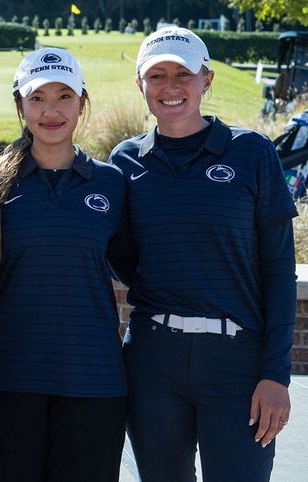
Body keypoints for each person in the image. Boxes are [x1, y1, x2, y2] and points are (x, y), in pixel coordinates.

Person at [111, 27, 295, 481]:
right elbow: (124, 259)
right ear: (140, 84)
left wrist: (276, 375)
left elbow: (278, 271)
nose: (170, 86)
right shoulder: (125, 162)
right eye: (157, 75)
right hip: (154, 361)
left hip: (238, 364)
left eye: (183, 74)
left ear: (207, 79)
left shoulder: (251, 152)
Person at [0, 48, 129, 481]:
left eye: (64, 96)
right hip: (10, 380)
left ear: (82, 101)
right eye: (37, 98)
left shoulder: (112, 183)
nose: (51, 111)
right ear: (20, 105)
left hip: (94, 381)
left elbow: (141, 273)